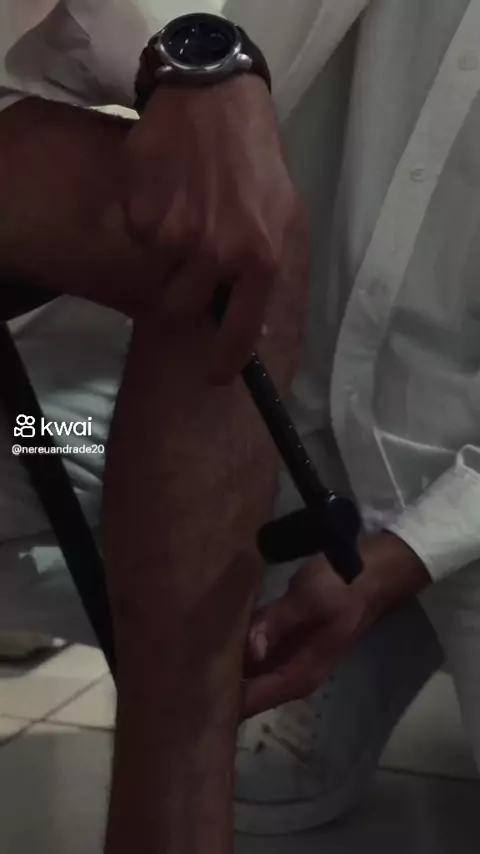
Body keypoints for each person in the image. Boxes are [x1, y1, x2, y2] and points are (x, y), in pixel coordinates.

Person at [0, 1, 479, 853]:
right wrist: (193, 58)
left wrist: (410, 554)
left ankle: (394, 610)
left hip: (461, 494)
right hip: (286, 409)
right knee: (214, 270)